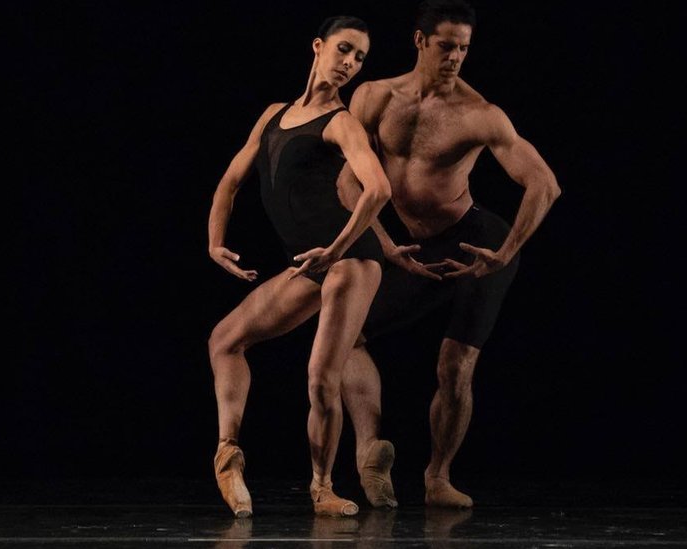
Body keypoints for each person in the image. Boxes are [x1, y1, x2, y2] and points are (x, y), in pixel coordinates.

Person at [337, 0, 562, 509]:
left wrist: (504, 254)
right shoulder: (373, 97)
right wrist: (387, 246)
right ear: (419, 41)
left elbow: (544, 185)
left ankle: (437, 477)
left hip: (473, 242)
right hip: (410, 244)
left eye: (464, 48)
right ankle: (370, 450)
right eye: (446, 46)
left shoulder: (480, 114)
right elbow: (348, 181)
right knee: (347, 335)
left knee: (454, 366)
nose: (456, 57)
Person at [206, 15, 393, 517]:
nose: (351, 63)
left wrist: (335, 249)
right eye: (344, 50)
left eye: (360, 58)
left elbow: (378, 189)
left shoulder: (343, 122)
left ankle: (323, 487)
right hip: (314, 263)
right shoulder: (272, 115)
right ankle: (228, 454)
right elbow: (230, 181)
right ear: (318, 46)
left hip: (351, 260)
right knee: (224, 340)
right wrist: (215, 242)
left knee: (319, 377)